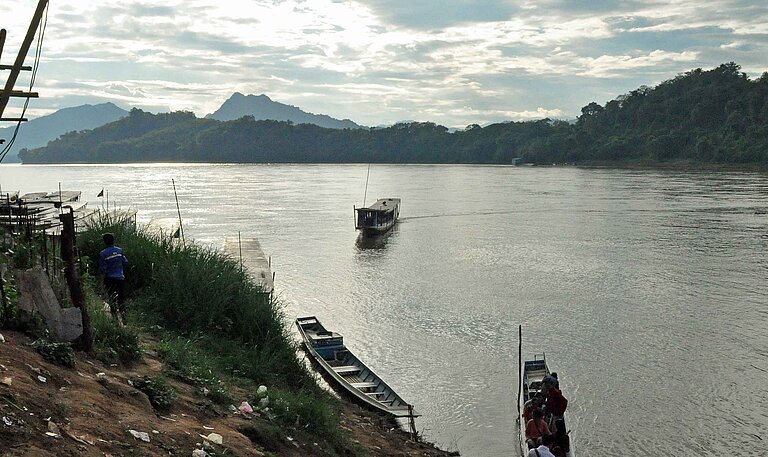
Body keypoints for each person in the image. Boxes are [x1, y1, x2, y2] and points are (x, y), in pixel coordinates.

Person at [99, 232, 128, 323]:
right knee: (121, 298)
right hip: (120, 278)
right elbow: (125, 262)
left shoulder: (103, 253)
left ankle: (115, 319)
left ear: (104, 242)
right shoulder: (120, 251)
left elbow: (103, 269)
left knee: (111, 298)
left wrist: (101, 282)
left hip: (109, 279)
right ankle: (124, 318)